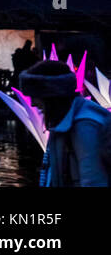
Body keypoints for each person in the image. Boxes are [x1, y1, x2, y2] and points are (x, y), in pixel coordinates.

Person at [19, 59, 109, 187]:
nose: (32, 103)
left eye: (35, 95)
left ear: (51, 96)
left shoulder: (85, 125)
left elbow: (94, 180)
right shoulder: (65, 121)